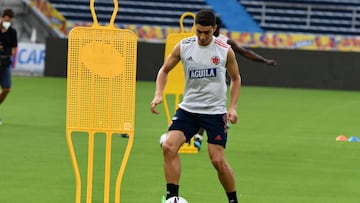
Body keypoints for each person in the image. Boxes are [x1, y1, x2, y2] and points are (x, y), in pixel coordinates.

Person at [151, 9, 241, 203]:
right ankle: (172, 197)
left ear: (214, 29)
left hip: (215, 112)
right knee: (168, 146)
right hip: (188, 110)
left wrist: (232, 107)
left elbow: (235, 78)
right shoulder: (184, 47)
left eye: (206, 32)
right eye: (198, 31)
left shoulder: (224, 50)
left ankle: (233, 200)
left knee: (217, 160)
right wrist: (158, 94)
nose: (201, 36)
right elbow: (164, 70)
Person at [192, 16, 277, 150]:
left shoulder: (225, 42)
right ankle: (218, 121)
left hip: (217, 81)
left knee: (208, 107)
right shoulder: (199, 40)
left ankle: (200, 135)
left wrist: (264, 61)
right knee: (203, 107)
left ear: (216, 27)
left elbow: (245, 53)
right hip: (200, 79)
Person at [0, 8, 17, 125]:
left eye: (9, 21)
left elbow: (14, 48)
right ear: (2, 18)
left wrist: (8, 54)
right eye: (6, 20)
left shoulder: (12, 32)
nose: (7, 22)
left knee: (6, 88)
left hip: (4, 64)